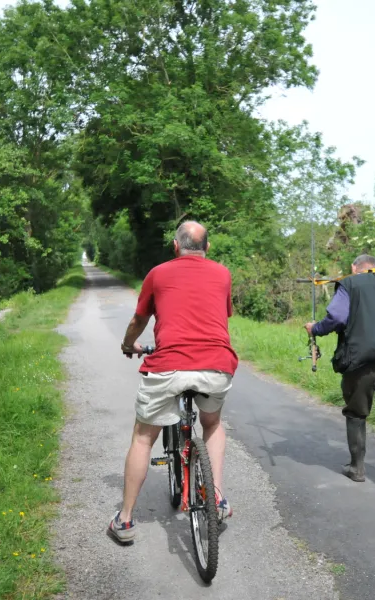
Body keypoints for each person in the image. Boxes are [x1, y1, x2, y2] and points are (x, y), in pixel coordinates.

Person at [109, 221, 239, 543]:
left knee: (142, 438)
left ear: (175, 246)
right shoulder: (222, 274)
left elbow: (139, 320)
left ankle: (125, 521)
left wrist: (128, 345)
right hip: (217, 365)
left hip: (169, 366)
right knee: (211, 424)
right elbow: (222, 314)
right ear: (207, 248)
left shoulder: (158, 274)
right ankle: (217, 499)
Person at [304, 254, 375, 495]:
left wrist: (315, 328)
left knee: (356, 412)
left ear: (354, 267)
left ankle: (357, 468)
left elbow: (336, 317)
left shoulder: (349, 283)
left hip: (360, 359)